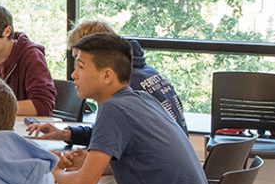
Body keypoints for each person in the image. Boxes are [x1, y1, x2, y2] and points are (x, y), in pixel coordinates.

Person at [51, 33, 210, 184]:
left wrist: (54, 171)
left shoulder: (112, 109)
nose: (73, 75)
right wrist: (88, 163)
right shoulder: (143, 99)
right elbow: (136, 160)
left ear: (107, 75)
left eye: (80, 67)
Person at [27, 19, 187, 145]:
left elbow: (112, 141)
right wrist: (69, 133)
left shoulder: (125, 87)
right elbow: (109, 133)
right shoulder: (144, 72)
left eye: (80, 61)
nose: (74, 72)